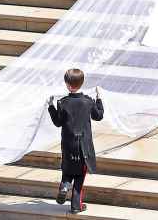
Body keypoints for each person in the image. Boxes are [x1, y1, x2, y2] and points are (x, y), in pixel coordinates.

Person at [48, 68, 105, 214]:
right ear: (82, 83)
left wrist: (51, 107)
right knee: (80, 176)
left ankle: (64, 186)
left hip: (68, 144)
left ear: (67, 84)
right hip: (83, 146)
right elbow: (98, 116)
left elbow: (58, 122)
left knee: (68, 169)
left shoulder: (63, 102)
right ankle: (76, 205)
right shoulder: (88, 101)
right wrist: (99, 99)